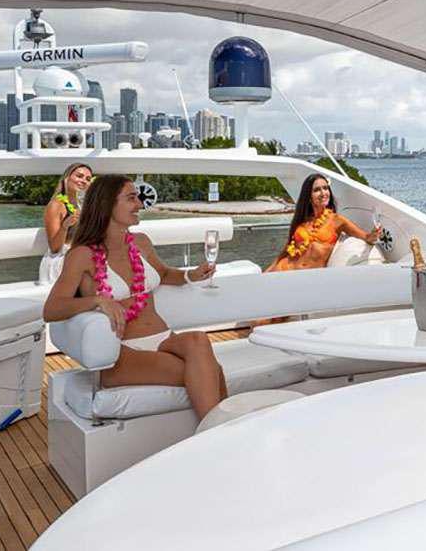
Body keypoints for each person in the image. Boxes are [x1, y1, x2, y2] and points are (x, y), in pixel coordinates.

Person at [43, 175, 225, 418]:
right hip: (122, 351)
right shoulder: (82, 255)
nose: (139, 204)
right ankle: (218, 437)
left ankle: (218, 435)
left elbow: (163, 273)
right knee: (210, 373)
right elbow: (52, 309)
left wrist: (192, 275)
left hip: (162, 337)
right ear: (107, 204)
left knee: (199, 341)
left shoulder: (141, 242)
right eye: (131, 198)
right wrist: (98, 300)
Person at [266, 173, 381, 272]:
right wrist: (266, 272)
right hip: (282, 270)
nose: (323, 193)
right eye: (317, 190)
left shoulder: (337, 220)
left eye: (325, 188)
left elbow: (366, 237)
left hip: (307, 278)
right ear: (309, 196)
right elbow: (285, 252)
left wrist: (374, 234)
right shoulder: (303, 221)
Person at [39, 163, 93, 284]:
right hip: (61, 261)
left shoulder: (81, 206)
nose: (84, 181)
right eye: (79, 176)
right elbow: (54, 248)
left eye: (88, 179)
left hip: (78, 258)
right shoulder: (56, 205)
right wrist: (65, 226)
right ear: (67, 178)